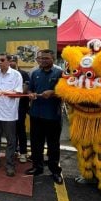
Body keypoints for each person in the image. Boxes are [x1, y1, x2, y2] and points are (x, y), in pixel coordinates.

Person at [25, 49, 63, 185]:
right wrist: (30, 93)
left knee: (53, 145)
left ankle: (55, 171)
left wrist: (53, 92)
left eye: (46, 58)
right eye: (41, 58)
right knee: (36, 144)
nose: (43, 61)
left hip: (53, 115)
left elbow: (65, 92)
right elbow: (30, 89)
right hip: (36, 114)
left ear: (53, 59)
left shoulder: (60, 73)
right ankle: (37, 167)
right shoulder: (34, 73)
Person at [9, 55, 30, 163]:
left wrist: (14, 92)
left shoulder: (23, 74)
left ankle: (23, 152)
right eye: (9, 61)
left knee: (20, 129)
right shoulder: (6, 74)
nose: (10, 63)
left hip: (20, 106)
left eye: (12, 61)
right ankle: (14, 150)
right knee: (11, 131)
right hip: (8, 107)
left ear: (16, 62)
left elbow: (24, 90)